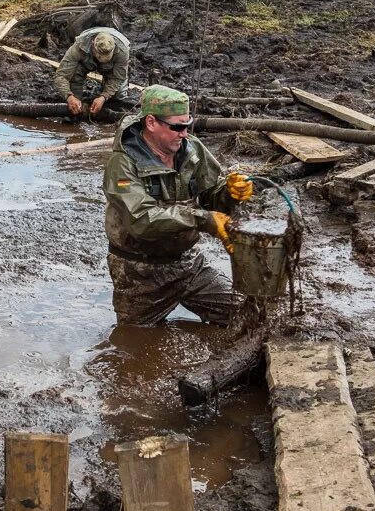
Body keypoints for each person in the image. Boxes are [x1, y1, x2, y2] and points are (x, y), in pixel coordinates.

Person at [102, 84, 253, 326]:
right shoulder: (122, 165)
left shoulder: (191, 148)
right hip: (140, 273)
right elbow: (142, 220)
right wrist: (204, 219)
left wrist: (231, 193)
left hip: (189, 263)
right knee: (134, 344)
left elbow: (212, 194)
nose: (184, 133)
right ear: (151, 122)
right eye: (177, 127)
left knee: (246, 313)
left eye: (187, 125)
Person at [54, 27, 132, 117]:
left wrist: (103, 96)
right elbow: (61, 75)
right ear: (92, 44)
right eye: (99, 56)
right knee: (74, 74)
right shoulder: (80, 45)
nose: (102, 60)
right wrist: (69, 97)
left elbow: (118, 78)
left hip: (111, 69)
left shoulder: (122, 51)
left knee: (118, 94)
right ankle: (77, 103)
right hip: (87, 61)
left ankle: (107, 107)